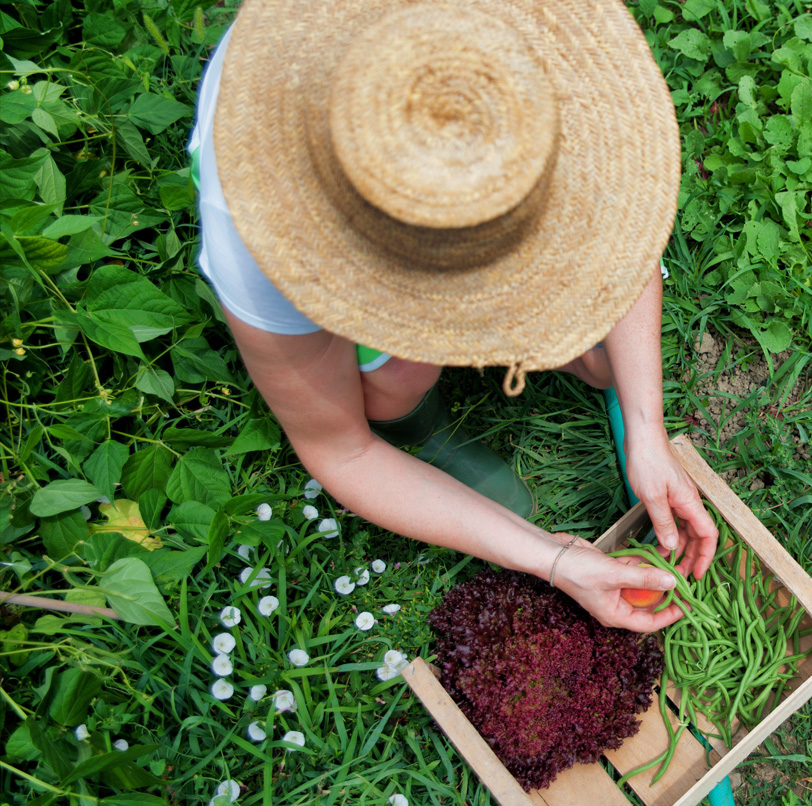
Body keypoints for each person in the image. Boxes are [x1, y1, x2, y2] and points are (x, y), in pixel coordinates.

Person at [188, 0, 718, 632]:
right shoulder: (261, 240)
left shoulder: (550, 58)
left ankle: (593, 369)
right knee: (396, 378)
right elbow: (340, 448)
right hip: (322, 233)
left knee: (607, 354)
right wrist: (552, 559)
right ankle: (423, 426)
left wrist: (646, 426)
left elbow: (623, 232)